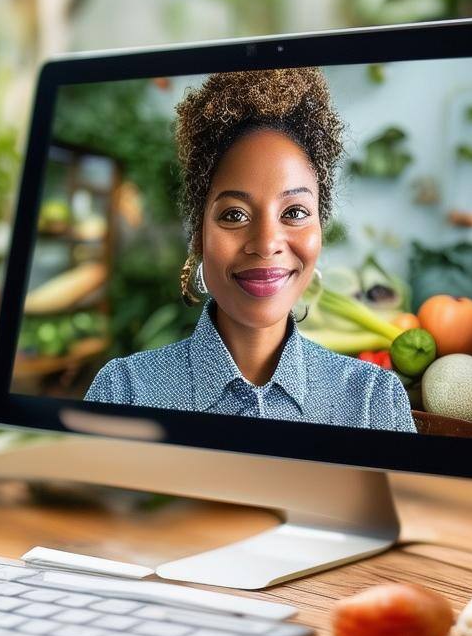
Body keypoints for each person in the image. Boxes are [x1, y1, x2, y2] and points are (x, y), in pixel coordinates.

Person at [85, 67, 417, 432]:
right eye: (234, 214)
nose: (266, 243)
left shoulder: (374, 401)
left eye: (294, 212)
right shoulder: (124, 392)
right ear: (198, 234)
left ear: (319, 230)